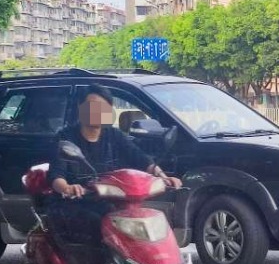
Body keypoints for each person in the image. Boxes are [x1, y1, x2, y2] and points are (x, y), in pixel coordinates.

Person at [46, 84, 181, 247]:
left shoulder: (114, 135)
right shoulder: (66, 137)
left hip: (110, 201)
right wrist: (68, 188)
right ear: (80, 109)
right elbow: (56, 176)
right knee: (99, 223)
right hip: (74, 204)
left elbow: (141, 159)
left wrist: (163, 177)